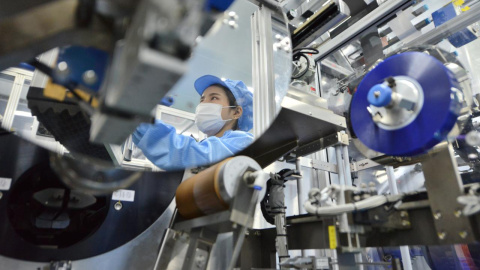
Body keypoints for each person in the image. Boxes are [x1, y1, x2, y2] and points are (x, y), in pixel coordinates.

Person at [132, 75, 254, 170]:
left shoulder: (243, 143)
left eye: (214, 98)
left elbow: (180, 152)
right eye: (202, 99)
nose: (204, 104)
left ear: (236, 112)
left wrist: (140, 113)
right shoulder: (206, 145)